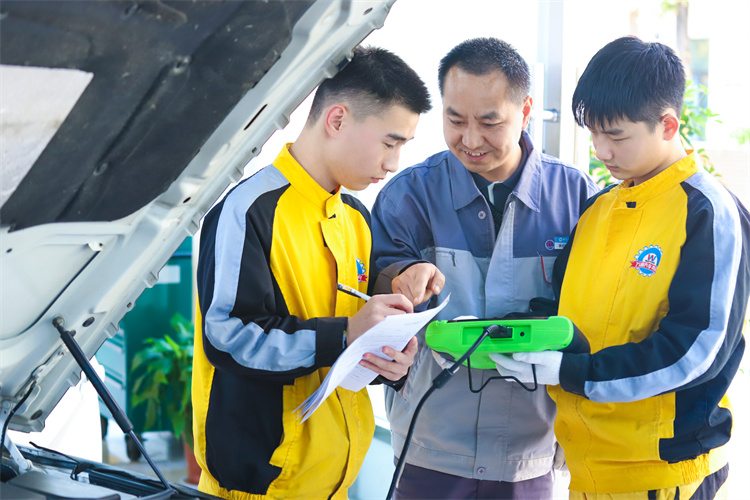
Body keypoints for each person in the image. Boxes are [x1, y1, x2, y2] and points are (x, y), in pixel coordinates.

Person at [492, 36, 750, 500]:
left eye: (616, 136)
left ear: (667, 125)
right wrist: (511, 335)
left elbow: (697, 351)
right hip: (589, 471)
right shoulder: (598, 209)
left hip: (665, 474)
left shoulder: (709, 213)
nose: (602, 151)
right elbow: (563, 312)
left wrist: (573, 373)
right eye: (594, 134)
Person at [192, 46, 432, 500]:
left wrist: (388, 362)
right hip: (261, 489)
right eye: (390, 143)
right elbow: (228, 338)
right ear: (337, 120)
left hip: (334, 484)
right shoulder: (248, 210)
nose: (393, 163)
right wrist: (345, 334)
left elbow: (343, 346)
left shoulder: (356, 218)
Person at [371, 37, 599, 499]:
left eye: (490, 122)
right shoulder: (408, 195)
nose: (471, 140)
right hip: (429, 448)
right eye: (455, 120)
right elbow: (375, 284)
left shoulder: (577, 197)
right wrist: (400, 276)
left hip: (529, 454)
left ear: (525, 110)